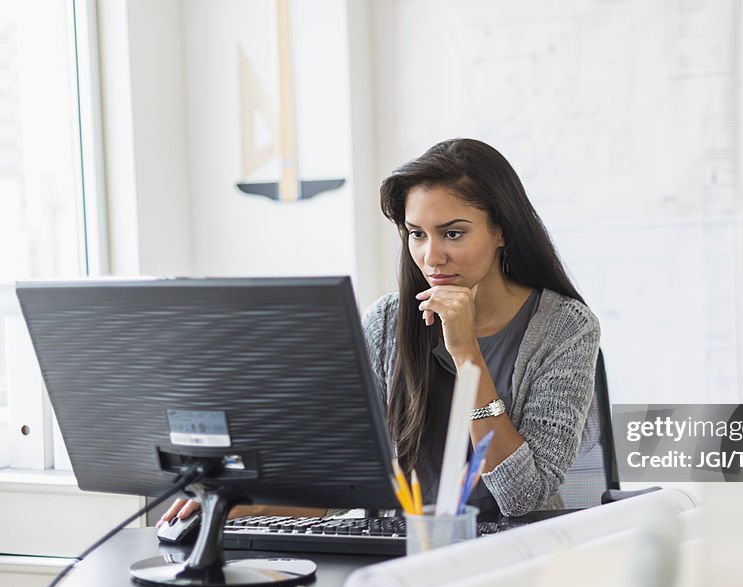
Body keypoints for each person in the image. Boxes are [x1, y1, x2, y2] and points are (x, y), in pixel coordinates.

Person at [159, 138, 599, 523]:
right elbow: (346, 479)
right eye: (417, 234)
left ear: (501, 230)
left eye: (453, 233)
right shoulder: (388, 321)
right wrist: (249, 506)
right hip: (401, 556)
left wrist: (467, 356)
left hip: (512, 561)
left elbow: (523, 498)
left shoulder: (565, 328)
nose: (431, 257)